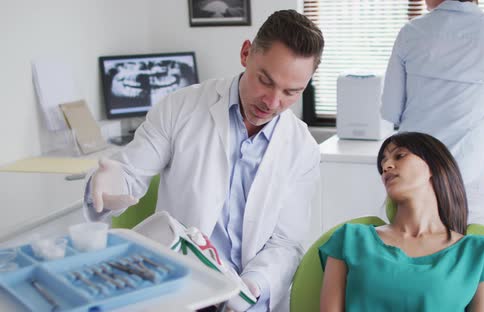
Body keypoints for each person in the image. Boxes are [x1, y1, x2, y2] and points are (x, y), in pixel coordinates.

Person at [84, 9, 324, 311]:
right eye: (265, 80)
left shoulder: (302, 147)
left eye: (292, 92)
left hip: (249, 298)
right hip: (179, 285)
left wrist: (250, 287)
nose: (273, 102)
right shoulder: (181, 107)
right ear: (246, 53)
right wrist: (107, 183)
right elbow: (130, 172)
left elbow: (286, 243)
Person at [319, 132, 484, 311]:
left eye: (399, 156)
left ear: (433, 166)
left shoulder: (482, 253)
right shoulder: (350, 239)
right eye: (383, 163)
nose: (386, 167)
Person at [380, 0, 484, 225]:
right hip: (471, 178)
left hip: (413, 174)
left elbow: (391, 111)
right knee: (469, 255)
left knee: (411, 253)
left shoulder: (411, 33)